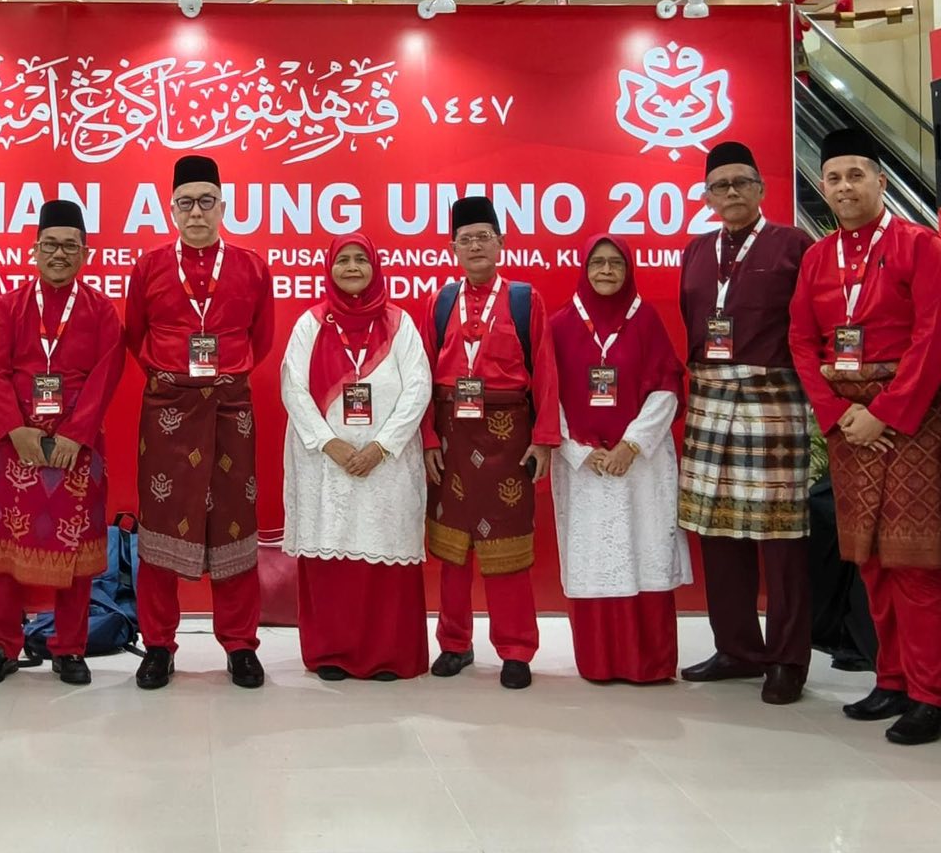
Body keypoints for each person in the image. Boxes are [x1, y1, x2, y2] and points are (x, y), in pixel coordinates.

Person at [789, 128, 941, 744]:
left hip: (912, 422)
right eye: (834, 178)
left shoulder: (920, 246)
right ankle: (890, 680)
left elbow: (937, 336)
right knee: (869, 559)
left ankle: (930, 697)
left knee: (916, 562)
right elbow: (801, 342)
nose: (844, 187)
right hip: (847, 425)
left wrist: (885, 412)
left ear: (882, 181)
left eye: (856, 175)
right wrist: (836, 413)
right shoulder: (818, 257)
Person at [124, 154, 275, 689]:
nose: (196, 212)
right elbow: (135, 333)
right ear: (170, 208)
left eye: (206, 202)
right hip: (167, 411)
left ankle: (240, 644)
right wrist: (173, 379)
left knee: (234, 524)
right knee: (161, 526)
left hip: (231, 408)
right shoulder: (149, 266)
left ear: (223, 206)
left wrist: (222, 377)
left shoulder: (252, 266)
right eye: (185, 203)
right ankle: (158, 645)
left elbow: (262, 339)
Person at [677, 141, 816, 704]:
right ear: (707, 197)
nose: (731, 192)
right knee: (716, 530)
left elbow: (810, 323)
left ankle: (787, 658)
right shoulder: (696, 250)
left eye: (741, 182)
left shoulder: (794, 245)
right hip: (710, 395)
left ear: (761, 189)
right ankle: (736, 647)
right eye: (720, 185)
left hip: (772, 396)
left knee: (782, 536)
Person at [0, 198, 126, 686]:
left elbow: (106, 375)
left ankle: (70, 648)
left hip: (79, 447)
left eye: (70, 246)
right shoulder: (8, 306)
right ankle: (2, 646)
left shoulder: (102, 311)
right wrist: (14, 429)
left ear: (86, 254)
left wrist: (77, 434)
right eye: (50, 245)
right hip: (14, 442)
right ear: (34, 250)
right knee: (6, 552)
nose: (59, 254)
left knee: (76, 552)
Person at [279, 232, 433, 681]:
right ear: (329, 269)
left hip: (387, 465)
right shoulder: (310, 324)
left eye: (360, 260)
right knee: (331, 558)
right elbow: (292, 386)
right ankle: (331, 652)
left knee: (384, 555)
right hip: (324, 464)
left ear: (375, 268)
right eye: (342, 260)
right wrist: (331, 443)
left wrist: (381, 446)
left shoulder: (400, 323)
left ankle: (388, 654)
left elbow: (418, 387)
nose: (351, 268)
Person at [419, 196, 558, 689]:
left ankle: (516, 648)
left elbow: (546, 371)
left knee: (508, 550)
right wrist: (428, 438)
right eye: (466, 239)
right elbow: (423, 376)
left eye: (484, 237)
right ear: (452, 248)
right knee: (452, 551)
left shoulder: (524, 299)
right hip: (452, 436)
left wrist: (543, 440)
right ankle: (455, 643)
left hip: (508, 436)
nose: (475, 246)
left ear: (501, 243)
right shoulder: (440, 302)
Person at [548, 235, 691, 685]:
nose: (607, 271)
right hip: (584, 469)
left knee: (644, 552)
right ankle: (600, 661)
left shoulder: (646, 320)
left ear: (628, 270)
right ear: (584, 269)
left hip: (641, 467)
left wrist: (631, 445)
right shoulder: (560, 325)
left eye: (616, 263)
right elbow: (548, 398)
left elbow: (667, 386)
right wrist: (579, 451)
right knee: (595, 558)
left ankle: (649, 662)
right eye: (598, 263)